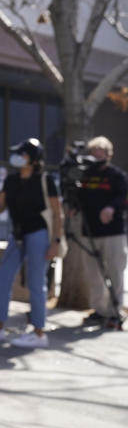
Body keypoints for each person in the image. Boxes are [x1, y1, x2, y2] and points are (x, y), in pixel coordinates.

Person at [0, 138, 63, 348]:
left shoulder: (44, 180)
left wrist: (55, 242)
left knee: (35, 283)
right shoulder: (11, 181)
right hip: (17, 234)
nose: (17, 158)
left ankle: (39, 332)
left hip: (38, 233)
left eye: (22, 154)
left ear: (33, 158)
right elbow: (0, 208)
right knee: (3, 278)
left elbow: (58, 214)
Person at [77, 136, 127, 329]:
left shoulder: (117, 176)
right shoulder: (85, 176)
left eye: (101, 156)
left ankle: (115, 312)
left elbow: (123, 197)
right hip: (89, 232)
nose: (97, 160)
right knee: (94, 275)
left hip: (113, 232)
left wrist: (111, 208)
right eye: (94, 155)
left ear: (108, 155)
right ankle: (99, 310)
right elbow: (76, 196)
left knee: (115, 272)